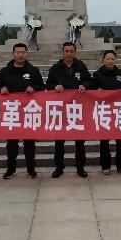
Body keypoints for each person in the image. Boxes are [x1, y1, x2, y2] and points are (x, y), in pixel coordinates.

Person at [0, 42, 45, 179]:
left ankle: (31, 169)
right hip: (12, 112)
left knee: (29, 142)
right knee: (11, 143)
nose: (20, 55)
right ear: (13, 54)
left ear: (26, 54)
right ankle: (10, 169)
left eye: (23, 52)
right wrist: (1, 89)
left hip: (28, 112)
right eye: (18, 52)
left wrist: (34, 88)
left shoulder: (33, 70)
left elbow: (42, 86)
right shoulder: (5, 71)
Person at [46, 41, 92, 178]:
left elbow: (89, 81)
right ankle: (59, 167)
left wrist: (84, 85)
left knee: (80, 141)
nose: (69, 54)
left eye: (71, 51)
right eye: (66, 51)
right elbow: (48, 84)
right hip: (61, 109)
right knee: (59, 140)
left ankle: (80, 167)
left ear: (75, 52)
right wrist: (55, 87)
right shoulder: (55, 68)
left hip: (78, 108)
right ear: (62, 52)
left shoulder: (81, 66)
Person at [93, 49, 121, 175]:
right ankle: (105, 166)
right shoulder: (97, 74)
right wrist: (97, 91)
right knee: (104, 140)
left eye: (112, 59)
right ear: (103, 60)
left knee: (120, 140)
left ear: (116, 60)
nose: (110, 61)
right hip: (104, 110)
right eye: (108, 59)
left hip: (119, 110)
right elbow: (92, 90)